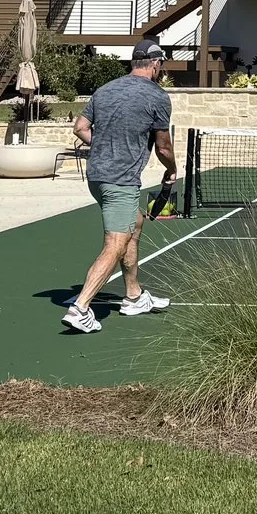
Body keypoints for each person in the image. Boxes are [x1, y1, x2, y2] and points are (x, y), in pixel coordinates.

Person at [62, 39, 178, 333]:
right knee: (116, 243)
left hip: (97, 177)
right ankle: (81, 308)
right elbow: (163, 147)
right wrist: (172, 170)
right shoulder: (157, 96)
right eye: (160, 64)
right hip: (121, 180)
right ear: (155, 64)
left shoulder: (105, 90)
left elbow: (80, 128)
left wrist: (103, 147)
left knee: (135, 223)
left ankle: (133, 296)